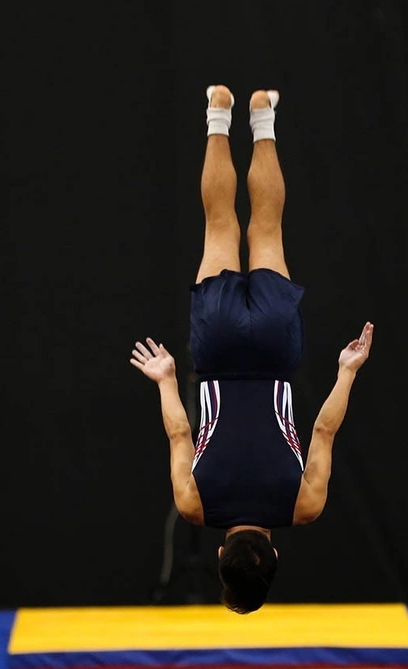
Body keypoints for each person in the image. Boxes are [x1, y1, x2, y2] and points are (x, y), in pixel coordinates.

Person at [129, 85, 374, 614]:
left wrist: (348, 372)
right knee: (220, 224)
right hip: (217, 354)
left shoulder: (304, 506)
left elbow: (324, 431)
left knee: (266, 227)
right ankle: (219, 112)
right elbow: (179, 432)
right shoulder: (193, 506)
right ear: (220, 554)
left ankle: (262, 119)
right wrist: (166, 378)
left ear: (275, 555)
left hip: (274, 353)